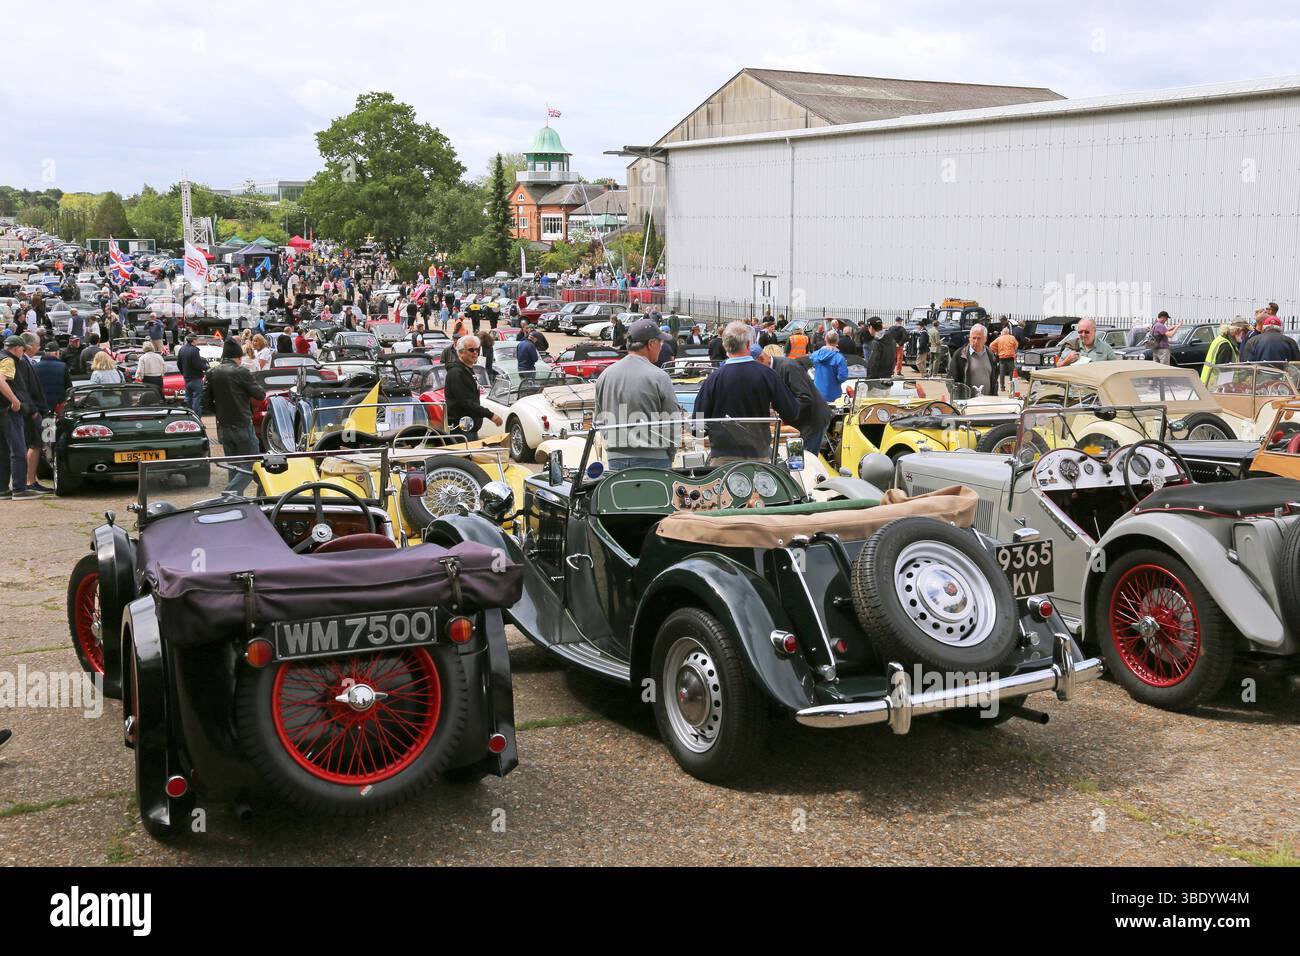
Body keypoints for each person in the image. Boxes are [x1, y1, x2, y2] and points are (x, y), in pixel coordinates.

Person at [694, 322, 800, 463]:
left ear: (725, 346)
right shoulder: (767, 375)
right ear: (749, 344)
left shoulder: (713, 379)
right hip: (758, 455)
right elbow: (792, 412)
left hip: (723, 457)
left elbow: (698, 428)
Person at [593, 318, 681, 471]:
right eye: (660, 343)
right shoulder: (659, 376)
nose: (661, 347)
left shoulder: (605, 375)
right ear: (651, 343)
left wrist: (613, 446)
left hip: (616, 459)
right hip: (654, 458)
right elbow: (672, 420)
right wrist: (670, 455)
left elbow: (599, 419)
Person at [201, 339, 266, 495]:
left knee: (234, 465)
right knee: (251, 463)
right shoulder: (241, 371)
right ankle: (230, 494)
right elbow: (260, 394)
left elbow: (205, 402)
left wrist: (219, 411)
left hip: (223, 425)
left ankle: (235, 502)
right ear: (237, 356)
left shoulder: (212, 372)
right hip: (242, 423)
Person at [760, 347, 833, 457]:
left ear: (761, 359)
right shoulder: (771, 369)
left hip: (811, 422)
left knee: (805, 461)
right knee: (795, 459)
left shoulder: (788, 367)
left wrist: (781, 412)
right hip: (799, 423)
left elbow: (805, 398)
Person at [0, 335, 41, 499]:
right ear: (17, 348)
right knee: (18, 450)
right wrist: (15, 400)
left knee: (2, 451)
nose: (23, 353)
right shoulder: (9, 361)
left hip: (1, 411)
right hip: (10, 412)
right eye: (22, 350)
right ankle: (19, 488)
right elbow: (1, 380)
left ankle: (2, 489)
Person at [445, 335, 501, 441]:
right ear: (461, 352)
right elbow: (466, 402)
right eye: (471, 350)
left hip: (470, 427)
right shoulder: (456, 373)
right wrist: (490, 415)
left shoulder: (467, 370)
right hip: (461, 429)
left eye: (477, 349)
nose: (475, 353)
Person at [950, 324, 998, 396]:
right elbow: (951, 380)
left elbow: (994, 379)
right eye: (973, 338)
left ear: (985, 339)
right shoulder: (959, 355)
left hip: (988, 402)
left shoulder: (991, 355)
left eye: (979, 338)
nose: (975, 341)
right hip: (968, 403)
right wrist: (959, 397)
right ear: (969, 338)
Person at [810, 329, 849, 403]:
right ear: (837, 341)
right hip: (833, 393)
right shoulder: (839, 358)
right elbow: (843, 377)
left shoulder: (815, 355)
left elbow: (809, 369)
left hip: (817, 392)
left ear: (825, 339)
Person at [177, 334, 207, 415]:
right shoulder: (194, 350)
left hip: (187, 378)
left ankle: (189, 416)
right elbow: (197, 364)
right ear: (194, 340)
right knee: (196, 399)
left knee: (188, 399)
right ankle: (197, 417)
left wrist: (184, 373)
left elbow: (179, 364)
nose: (197, 341)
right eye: (197, 339)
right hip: (196, 378)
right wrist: (206, 368)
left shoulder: (182, 349)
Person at [990, 322, 1020, 392]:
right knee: (1012, 373)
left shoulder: (999, 338)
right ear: (1008, 332)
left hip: (1002, 358)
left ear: (1002, 332)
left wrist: (996, 351)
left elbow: (991, 345)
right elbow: (1017, 345)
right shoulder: (1012, 338)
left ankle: (1002, 387)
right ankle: (1012, 386)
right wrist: (1013, 350)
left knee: (1002, 373)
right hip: (1010, 357)